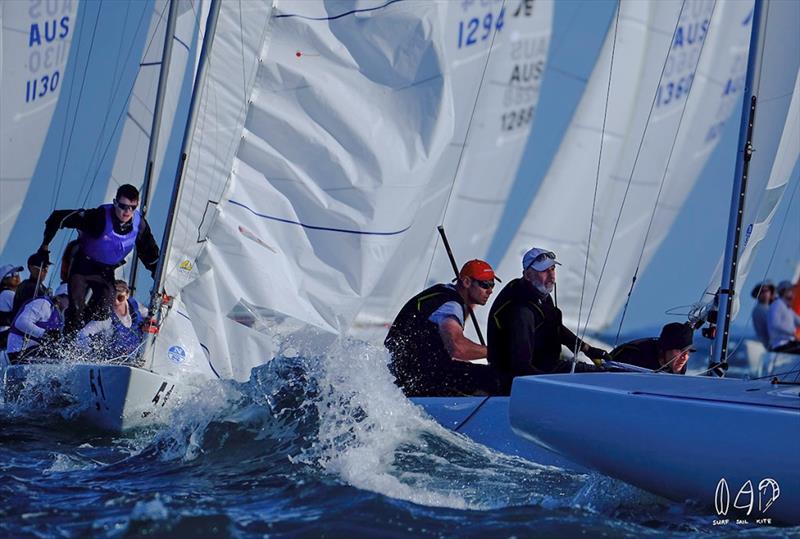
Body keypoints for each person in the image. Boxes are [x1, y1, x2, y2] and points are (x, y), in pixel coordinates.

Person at [36, 184, 160, 335]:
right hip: (83, 266)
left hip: (105, 271)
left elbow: (150, 254)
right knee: (76, 308)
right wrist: (44, 247)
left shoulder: (139, 225)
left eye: (132, 208)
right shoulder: (98, 217)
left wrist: (158, 277)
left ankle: (79, 339)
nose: (127, 211)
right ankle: (66, 343)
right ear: (115, 203)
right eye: (123, 206)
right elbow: (57, 218)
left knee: (103, 310)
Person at [487, 248, 607, 394]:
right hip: (521, 383)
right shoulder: (521, 310)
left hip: (546, 370)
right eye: (544, 271)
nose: (551, 276)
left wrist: (587, 350)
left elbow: (554, 326)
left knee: (604, 373)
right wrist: (551, 386)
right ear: (528, 275)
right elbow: (521, 366)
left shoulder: (538, 292)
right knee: (600, 379)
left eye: (553, 269)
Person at [385, 259, 501, 396]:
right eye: (485, 284)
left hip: (403, 371)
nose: (490, 291)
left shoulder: (441, 292)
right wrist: (495, 352)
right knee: (494, 379)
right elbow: (457, 347)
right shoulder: (450, 305)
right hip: (416, 378)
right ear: (466, 282)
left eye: (492, 285)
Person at [76, 280, 144, 359]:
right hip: (111, 363)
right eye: (112, 298)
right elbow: (81, 335)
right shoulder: (105, 318)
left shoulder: (136, 307)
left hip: (135, 362)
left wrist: (147, 324)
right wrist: (90, 353)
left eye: (120, 298)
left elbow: (152, 316)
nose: (116, 302)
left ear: (127, 295)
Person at [6, 283, 69, 364]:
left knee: (64, 356)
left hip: (33, 352)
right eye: (69, 297)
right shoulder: (43, 304)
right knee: (61, 360)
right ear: (58, 298)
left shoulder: (60, 316)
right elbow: (20, 322)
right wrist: (45, 334)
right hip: (17, 352)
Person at [609, 322, 695, 374]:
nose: (685, 357)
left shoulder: (677, 364)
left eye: (688, 352)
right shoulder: (634, 356)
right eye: (680, 351)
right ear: (665, 348)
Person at [11, 251, 52, 318]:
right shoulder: (26, 286)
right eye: (43, 268)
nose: (46, 271)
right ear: (31, 268)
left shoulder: (43, 288)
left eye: (47, 268)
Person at [767, 280, 800, 353]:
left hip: (789, 343)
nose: (793, 293)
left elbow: (798, 321)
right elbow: (775, 324)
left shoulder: (787, 307)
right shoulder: (777, 304)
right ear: (783, 292)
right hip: (780, 345)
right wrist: (792, 332)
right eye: (790, 290)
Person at [0, 264, 24, 349]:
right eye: (13, 275)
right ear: (4, 280)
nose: (17, 276)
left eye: (17, 273)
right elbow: (24, 309)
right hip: (5, 336)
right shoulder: (7, 294)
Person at [750, 280, 776, 348]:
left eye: (767, 290)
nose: (764, 293)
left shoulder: (769, 308)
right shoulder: (760, 309)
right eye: (761, 291)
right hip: (772, 346)